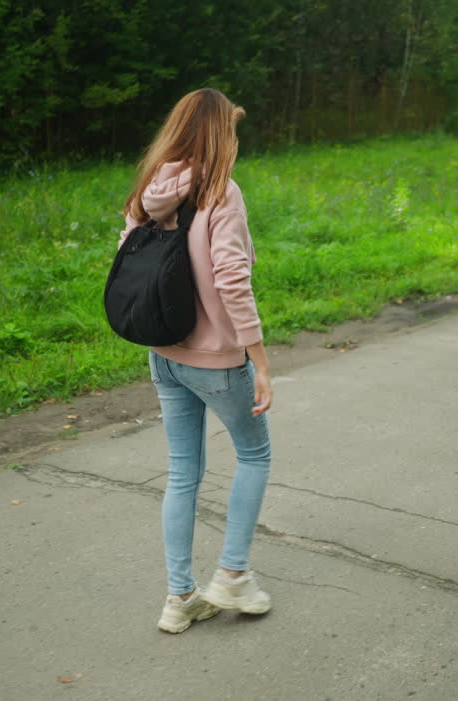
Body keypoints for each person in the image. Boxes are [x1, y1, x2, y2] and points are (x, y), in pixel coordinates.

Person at [120, 88, 274, 634]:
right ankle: (231, 575)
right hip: (215, 357)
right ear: (217, 133)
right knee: (255, 456)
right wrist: (257, 357)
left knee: (184, 471)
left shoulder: (151, 187)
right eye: (231, 128)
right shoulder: (219, 191)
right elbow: (233, 278)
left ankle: (179, 597)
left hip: (162, 352)